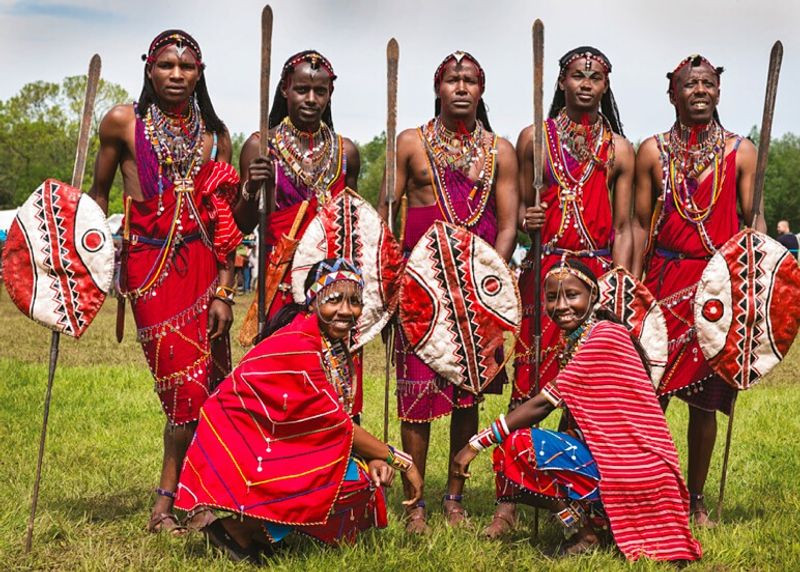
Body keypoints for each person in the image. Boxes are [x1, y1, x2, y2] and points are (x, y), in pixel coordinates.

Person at [88, 30, 239, 534]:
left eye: (186, 67)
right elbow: (97, 196)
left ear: (200, 73)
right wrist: (80, 256)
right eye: (166, 66)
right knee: (182, 388)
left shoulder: (215, 135)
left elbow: (224, 221)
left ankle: (192, 497)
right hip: (149, 267)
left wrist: (225, 290)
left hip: (204, 265)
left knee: (211, 387)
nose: (176, 75)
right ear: (149, 69)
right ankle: (168, 504)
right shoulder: (122, 122)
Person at [175, 258, 423, 562]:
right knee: (350, 479)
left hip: (269, 439)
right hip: (244, 442)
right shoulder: (301, 344)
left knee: (365, 478)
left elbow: (329, 424)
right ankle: (235, 530)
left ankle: (260, 534)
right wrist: (402, 461)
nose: (346, 310)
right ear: (313, 301)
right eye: (334, 299)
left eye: (355, 301)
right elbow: (336, 425)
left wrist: (374, 457)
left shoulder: (327, 343)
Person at [453, 260, 702, 562]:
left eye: (572, 295)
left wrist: (474, 444)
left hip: (634, 466)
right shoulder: (580, 337)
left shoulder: (604, 336)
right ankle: (590, 525)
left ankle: (586, 534)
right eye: (552, 297)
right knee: (518, 452)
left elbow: (544, 403)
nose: (561, 306)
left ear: (593, 295)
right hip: (614, 458)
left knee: (519, 446)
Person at [495, 46, 635, 537]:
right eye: (578, 75)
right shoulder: (534, 138)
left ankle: (576, 499)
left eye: (595, 77)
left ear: (605, 85)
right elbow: (518, 210)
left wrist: (619, 284)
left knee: (585, 389)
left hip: (594, 276)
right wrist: (530, 219)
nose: (586, 83)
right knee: (529, 378)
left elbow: (624, 226)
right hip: (543, 269)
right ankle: (508, 499)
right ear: (561, 82)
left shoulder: (619, 149)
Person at [377, 50, 518, 531]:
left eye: (470, 81)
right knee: (416, 395)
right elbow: (386, 216)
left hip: (478, 291)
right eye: (452, 80)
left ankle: (454, 497)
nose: (461, 88)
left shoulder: (499, 151)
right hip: (421, 289)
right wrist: (391, 286)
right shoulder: (410, 142)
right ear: (437, 88)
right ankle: (414, 500)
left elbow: (508, 225)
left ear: (482, 90)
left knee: (467, 395)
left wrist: (488, 279)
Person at [632, 54, 761, 526]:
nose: (700, 91)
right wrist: (632, 289)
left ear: (718, 91)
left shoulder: (741, 151)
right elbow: (638, 225)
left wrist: (756, 274)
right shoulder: (652, 151)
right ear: (673, 93)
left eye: (707, 83)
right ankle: (648, 492)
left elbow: (753, 218)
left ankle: (696, 499)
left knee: (705, 403)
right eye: (690, 84)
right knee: (652, 396)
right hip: (663, 284)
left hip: (718, 289)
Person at [234, 51, 369, 416]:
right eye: (302, 90)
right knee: (283, 388)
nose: (311, 99)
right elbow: (242, 224)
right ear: (284, 90)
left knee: (336, 386)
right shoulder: (260, 146)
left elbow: (354, 226)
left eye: (320, 91)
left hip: (335, 293)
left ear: (330, 94)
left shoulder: (346, 152)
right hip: (281, 289)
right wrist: (251, 186)